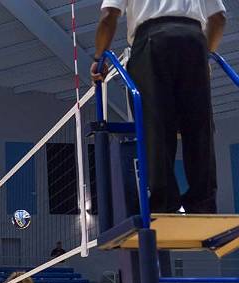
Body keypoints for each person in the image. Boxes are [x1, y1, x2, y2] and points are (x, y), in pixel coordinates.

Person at [92, 0, 226, 214]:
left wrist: (99, 58)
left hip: (152, 41)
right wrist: (205, 56)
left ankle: (164, 203)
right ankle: (203, 203)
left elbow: (109, 16)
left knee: (155, 125)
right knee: (199, 126)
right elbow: (219, 20)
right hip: (193, 41)